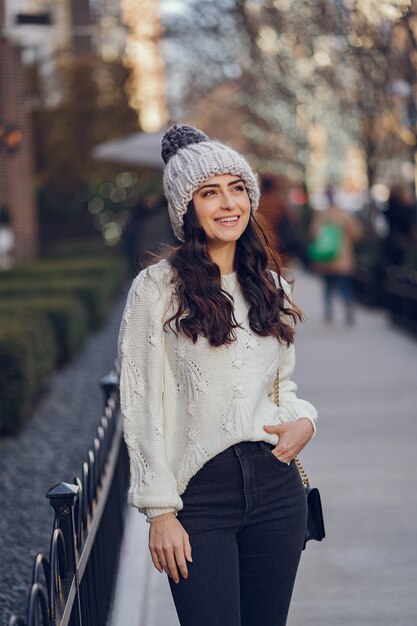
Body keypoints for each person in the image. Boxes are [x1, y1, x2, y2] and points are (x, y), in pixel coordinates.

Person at [117, 124, 318, 626]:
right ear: (187, 207)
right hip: (199, 498)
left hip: (276, 489)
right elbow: (140, 405)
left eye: (236, 188)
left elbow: (282, 387)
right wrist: (160, 511)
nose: (228, 204)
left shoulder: (268, 282)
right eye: (210, 192)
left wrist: (305, 421)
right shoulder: (155, 289)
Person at [309, 188, 363, 325]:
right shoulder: (344, 215)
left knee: (327, 286)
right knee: (343, 285)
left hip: (326, 258)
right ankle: (348, 303)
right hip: (341, 258)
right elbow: (357, 233)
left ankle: (328, 311)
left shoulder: (322, 215)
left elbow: (313, 233)